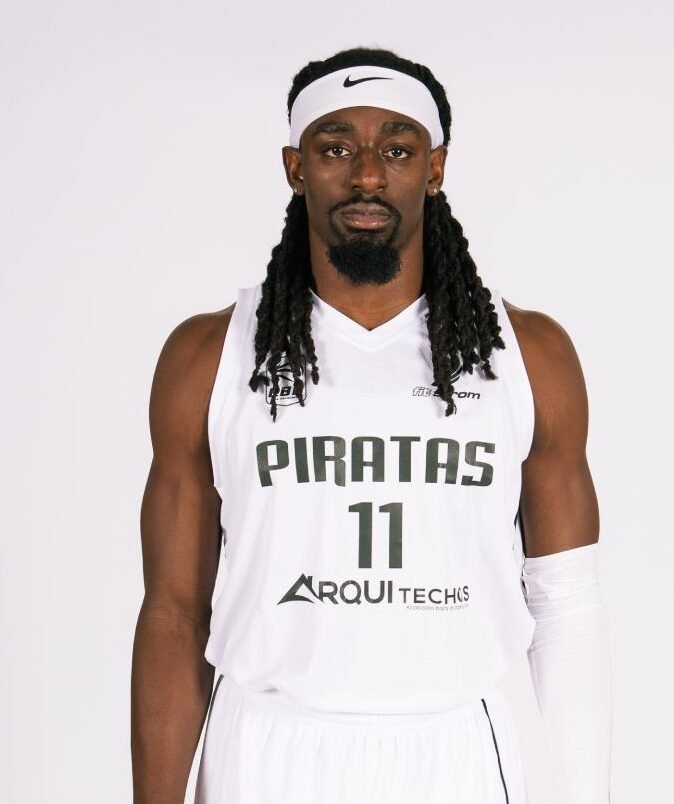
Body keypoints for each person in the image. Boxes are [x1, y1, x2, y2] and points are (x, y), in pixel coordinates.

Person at [131, 46, 613, 804]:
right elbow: (172, 613)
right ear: (295, 167)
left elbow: (566, 605)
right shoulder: (208, 356)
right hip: (265, 750)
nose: (365, 175)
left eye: (396, 149)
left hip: (454, 754)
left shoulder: (530, 356)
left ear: (435, 167)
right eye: (335, 148)